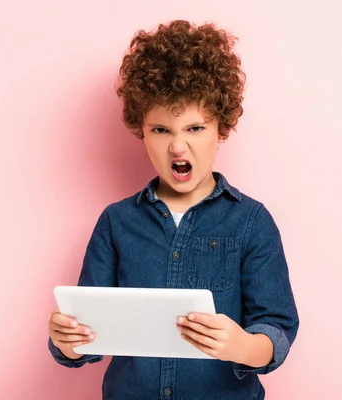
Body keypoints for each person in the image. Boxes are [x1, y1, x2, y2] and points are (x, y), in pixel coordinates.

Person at [47, 19, 299, 400]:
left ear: (222, 128)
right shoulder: (117, 222)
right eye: (161, 130)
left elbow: (276, 328)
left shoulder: (251, 222)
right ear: (141, 131)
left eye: (195, 128)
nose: (178, 147)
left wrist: (242, 346)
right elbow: (88, 334)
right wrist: (67, 340)